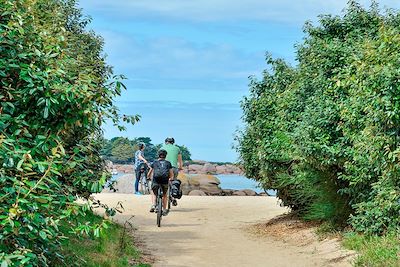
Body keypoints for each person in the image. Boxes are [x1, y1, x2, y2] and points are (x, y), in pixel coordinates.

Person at [148, 149, 173, 215]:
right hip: (164, 181)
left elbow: (150, 172)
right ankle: (164, 209)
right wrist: (171, 178)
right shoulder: (168, 163)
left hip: (156, 180)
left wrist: (148, 177)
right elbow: (171, 173)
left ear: (158, 155)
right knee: (165, 195)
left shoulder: (154, 162)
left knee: (153, 192)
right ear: (165, 156)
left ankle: (153, 205)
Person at [161, 137, 183, 206]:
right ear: (173, 142)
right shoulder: (177, 148)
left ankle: (161, 193)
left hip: (163, 167)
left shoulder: (162, 148)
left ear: (166, 142)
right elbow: (180, 160)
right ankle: (173, 198)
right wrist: (180, 167)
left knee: (162, 181)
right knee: (173, 181)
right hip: (173, 168)